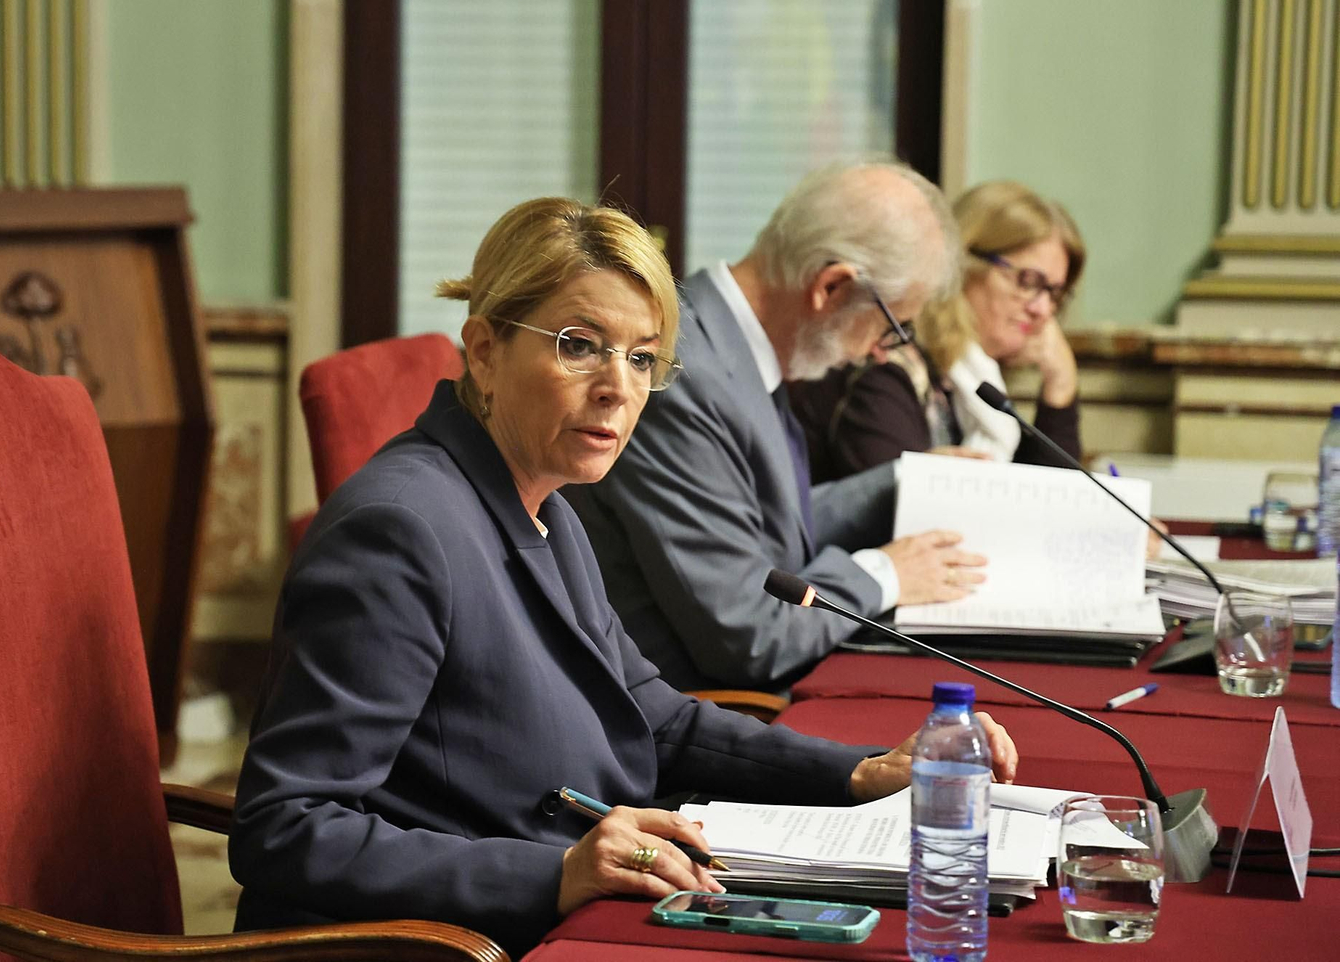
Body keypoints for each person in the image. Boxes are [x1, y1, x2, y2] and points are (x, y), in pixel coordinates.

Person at [230, 197, 1017, 955]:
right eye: (579, 345)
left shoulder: (545, 502)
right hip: (455, 943)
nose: (619, 386)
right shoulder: (398, 531)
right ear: (485, 350)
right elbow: (285, 827)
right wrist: (558, 871)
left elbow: (656, 720)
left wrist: (860, 771)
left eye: (642, 357)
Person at [565, 162, 988, 694]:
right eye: (893, 325)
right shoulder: (681, 370)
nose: (882, 351)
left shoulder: (732, 344)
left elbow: (768, 531)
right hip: (692, 714)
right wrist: (887, 574)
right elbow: (751, 634)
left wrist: (903, 480)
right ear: (832, 286)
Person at [794, 180, 1086, 481]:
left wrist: (1060, 384)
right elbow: (892, 505)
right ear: (963, 263)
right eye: (1029, 281)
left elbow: (1045, 497)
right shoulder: (884, 363)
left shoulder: (968, 379)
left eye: (1054, 293)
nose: (1043, 309)